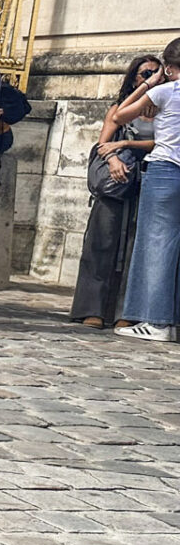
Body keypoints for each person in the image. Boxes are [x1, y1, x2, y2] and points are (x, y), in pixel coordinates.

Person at [70, 55, 162, 327]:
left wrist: (131, 148)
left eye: (157, 73)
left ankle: (126, 311)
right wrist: (112, 160)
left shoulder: (166, 104)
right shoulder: (120, 107)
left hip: (148, 178)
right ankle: (92, 308)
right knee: (102, 242)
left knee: (136, 246)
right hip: (116, 179)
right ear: (134, 77)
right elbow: (104, 143)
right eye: (145, 73)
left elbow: (165, 143)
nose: (152, 78)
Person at [111, 40, 180, 342]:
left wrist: (149, 84)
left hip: (165, 170)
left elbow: (119, 116)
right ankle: (172, 320)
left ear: (168, 67)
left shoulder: (164, 91)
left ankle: (156, 321)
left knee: (155, 244)